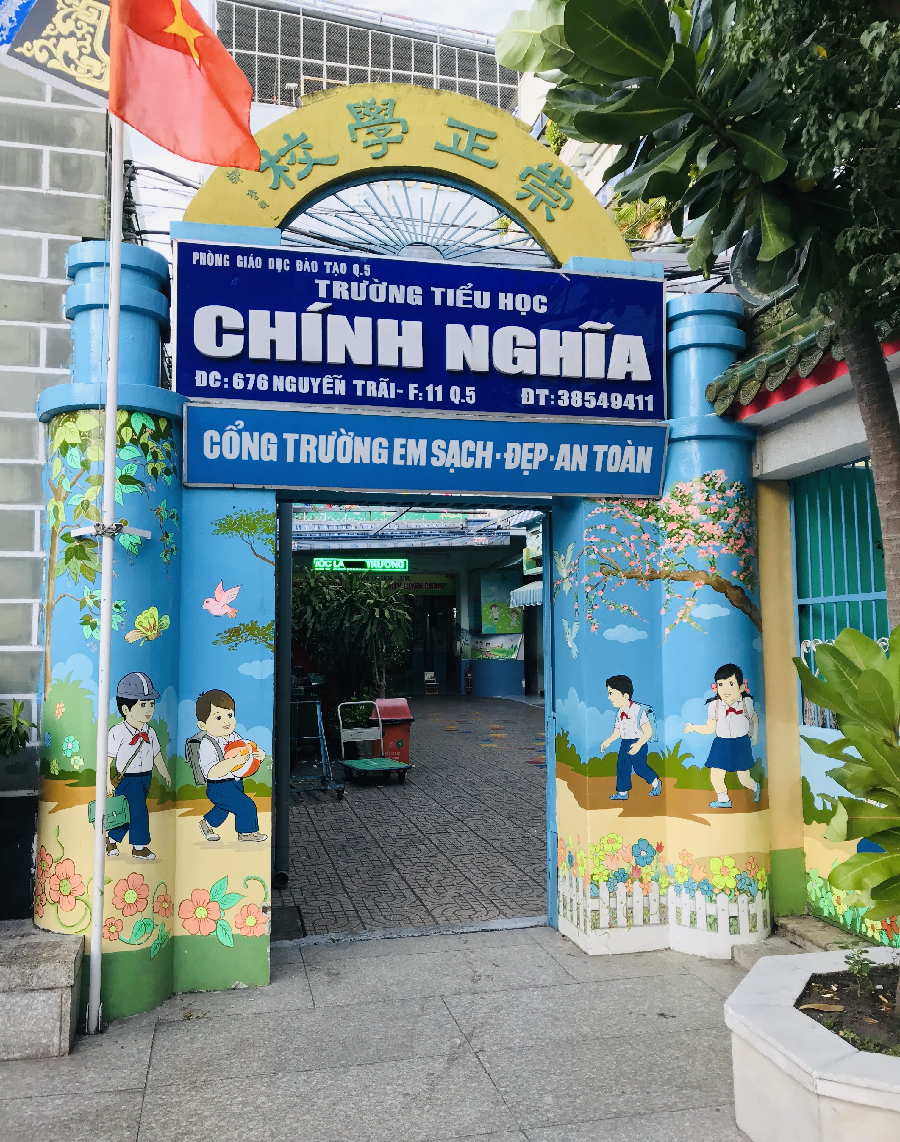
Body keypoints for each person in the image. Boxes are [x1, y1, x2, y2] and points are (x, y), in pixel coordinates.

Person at [106, 672, 171, 861]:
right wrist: (107, 782)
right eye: (143, 705)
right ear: (126, 709)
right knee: (139, 811)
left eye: (151, 704)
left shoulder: (150, 732)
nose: (149, 709)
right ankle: (139, 847)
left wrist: (166, 774)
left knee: (129, 812)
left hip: (145, 777)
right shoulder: (117, 732)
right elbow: (107, 759)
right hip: (127, 780)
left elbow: (157, 756)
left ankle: (111, 838)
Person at [194, 689, 267, 842]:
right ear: (202, 725)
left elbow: (248, 750)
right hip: (218, 786)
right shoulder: (207, 743)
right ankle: (246, 834)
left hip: (235, 782)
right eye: (218, 717)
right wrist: (233, 762)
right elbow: (210, 772)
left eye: (229, 715)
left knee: (223, 809)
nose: (226, 721)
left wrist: (258, 755)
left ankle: (206, 823)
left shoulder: (234, 737)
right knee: (246, 805)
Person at [684, 663, 760, 809]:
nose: (725, 689)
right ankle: (723, 799)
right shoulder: (714, 706)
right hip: (721, 743)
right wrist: (693, 728)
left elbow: (754, 718)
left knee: (744, 779)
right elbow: (709, 729)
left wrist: (755, 735)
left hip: (741, 743)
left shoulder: (746, 703)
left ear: (741, 687)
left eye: (731, 684)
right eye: (720, 684)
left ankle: (755, 786)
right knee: (716, 775)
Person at [600, 674, 661, 801]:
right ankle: (622, 792)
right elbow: (617, 732)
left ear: (625, 696)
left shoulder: (638, 710)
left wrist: (638, 745)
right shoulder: (619, 713)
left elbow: (648, 732)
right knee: (622, 767)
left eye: (611, 693)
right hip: (625, 743)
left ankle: (655, 782)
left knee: (640, 768)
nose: (609, 697)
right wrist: (608, 741)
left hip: (638, 742)